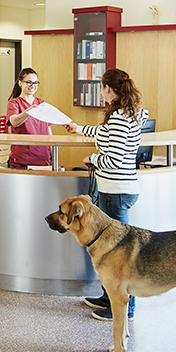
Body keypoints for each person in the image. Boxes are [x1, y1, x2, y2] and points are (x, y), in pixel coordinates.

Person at [65, 68, 149, 321]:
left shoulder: (120, 118)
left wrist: (92, 158)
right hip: (115, 189)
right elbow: (105, 134)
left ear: (108, 89)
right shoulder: (125, 114)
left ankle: (123, 308)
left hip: (117, 190)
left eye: (102, 86)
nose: (100, 90)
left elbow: (114, 160)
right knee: (110, 250)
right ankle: (107, 296)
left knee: (117, 255)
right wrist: (78, 128)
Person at [7, 68, 52, 168]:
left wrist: (52, 154)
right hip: (22, 160)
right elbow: (14, 122)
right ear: (20, 83)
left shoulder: (41, 103)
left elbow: (48, 130)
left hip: (43, 158)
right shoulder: (14, 103)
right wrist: (28, 111)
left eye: (35, 83)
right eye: (29, 82)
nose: (33, 86)